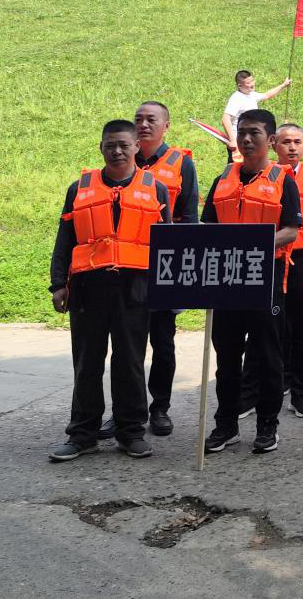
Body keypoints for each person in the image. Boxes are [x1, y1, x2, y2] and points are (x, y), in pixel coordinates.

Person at [47, 120, 171, 462]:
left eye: (123, 145)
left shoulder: (156, 190)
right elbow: (65, 239)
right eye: (109, 145)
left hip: (135, 288)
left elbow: (167, 245)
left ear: (135, 148)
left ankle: (130, 432)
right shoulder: (79, 189)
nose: (117, 151)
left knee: (129, 362)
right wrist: (59, 283)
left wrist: (167, 291)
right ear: (101, 148)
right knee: (86, 363)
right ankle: (82, 434)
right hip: (88, 288)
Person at [95, 101, 198, 442]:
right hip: (125, 272)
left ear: (165, 126)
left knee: (163, 341)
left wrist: (180, 274)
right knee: (126, 346)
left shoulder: (181, 163)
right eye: (138, 119)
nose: (143, 124)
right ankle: (123, 412)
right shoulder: (122, 157)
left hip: (163, 268)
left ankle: (160, 408)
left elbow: (189, 220)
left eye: (150, 119)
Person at [202, 109, 302, 455]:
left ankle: (266, 425)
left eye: (254, 133)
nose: (246, 139)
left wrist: (258, 243)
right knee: (226, 356)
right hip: (227, 278)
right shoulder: (223, 179)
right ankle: (225, 424)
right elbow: (208, 227)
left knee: (267, 355)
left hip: (265, 277)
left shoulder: (282, 180)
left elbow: (291, 229)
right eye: (242, 132)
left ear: (270, 140)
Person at [263, 125, 303, 419]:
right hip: (270, 258)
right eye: (286, 142)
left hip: (302, 260)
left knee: (302, 332)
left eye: (297, 142)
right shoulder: (264, 178)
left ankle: (301, 393)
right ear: (274, 144)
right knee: (268, 332)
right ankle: (265, 392)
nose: (292, 147)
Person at [221, 70, 291, 147]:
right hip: (240, 142)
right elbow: (225, 119)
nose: (252, 84)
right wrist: (233, 140)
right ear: (240, 85)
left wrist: (283, 85)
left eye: (252, 81)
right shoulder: (236, 98)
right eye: (248, 83)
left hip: (251, 139)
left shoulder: (251, 94)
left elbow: (266, 95)